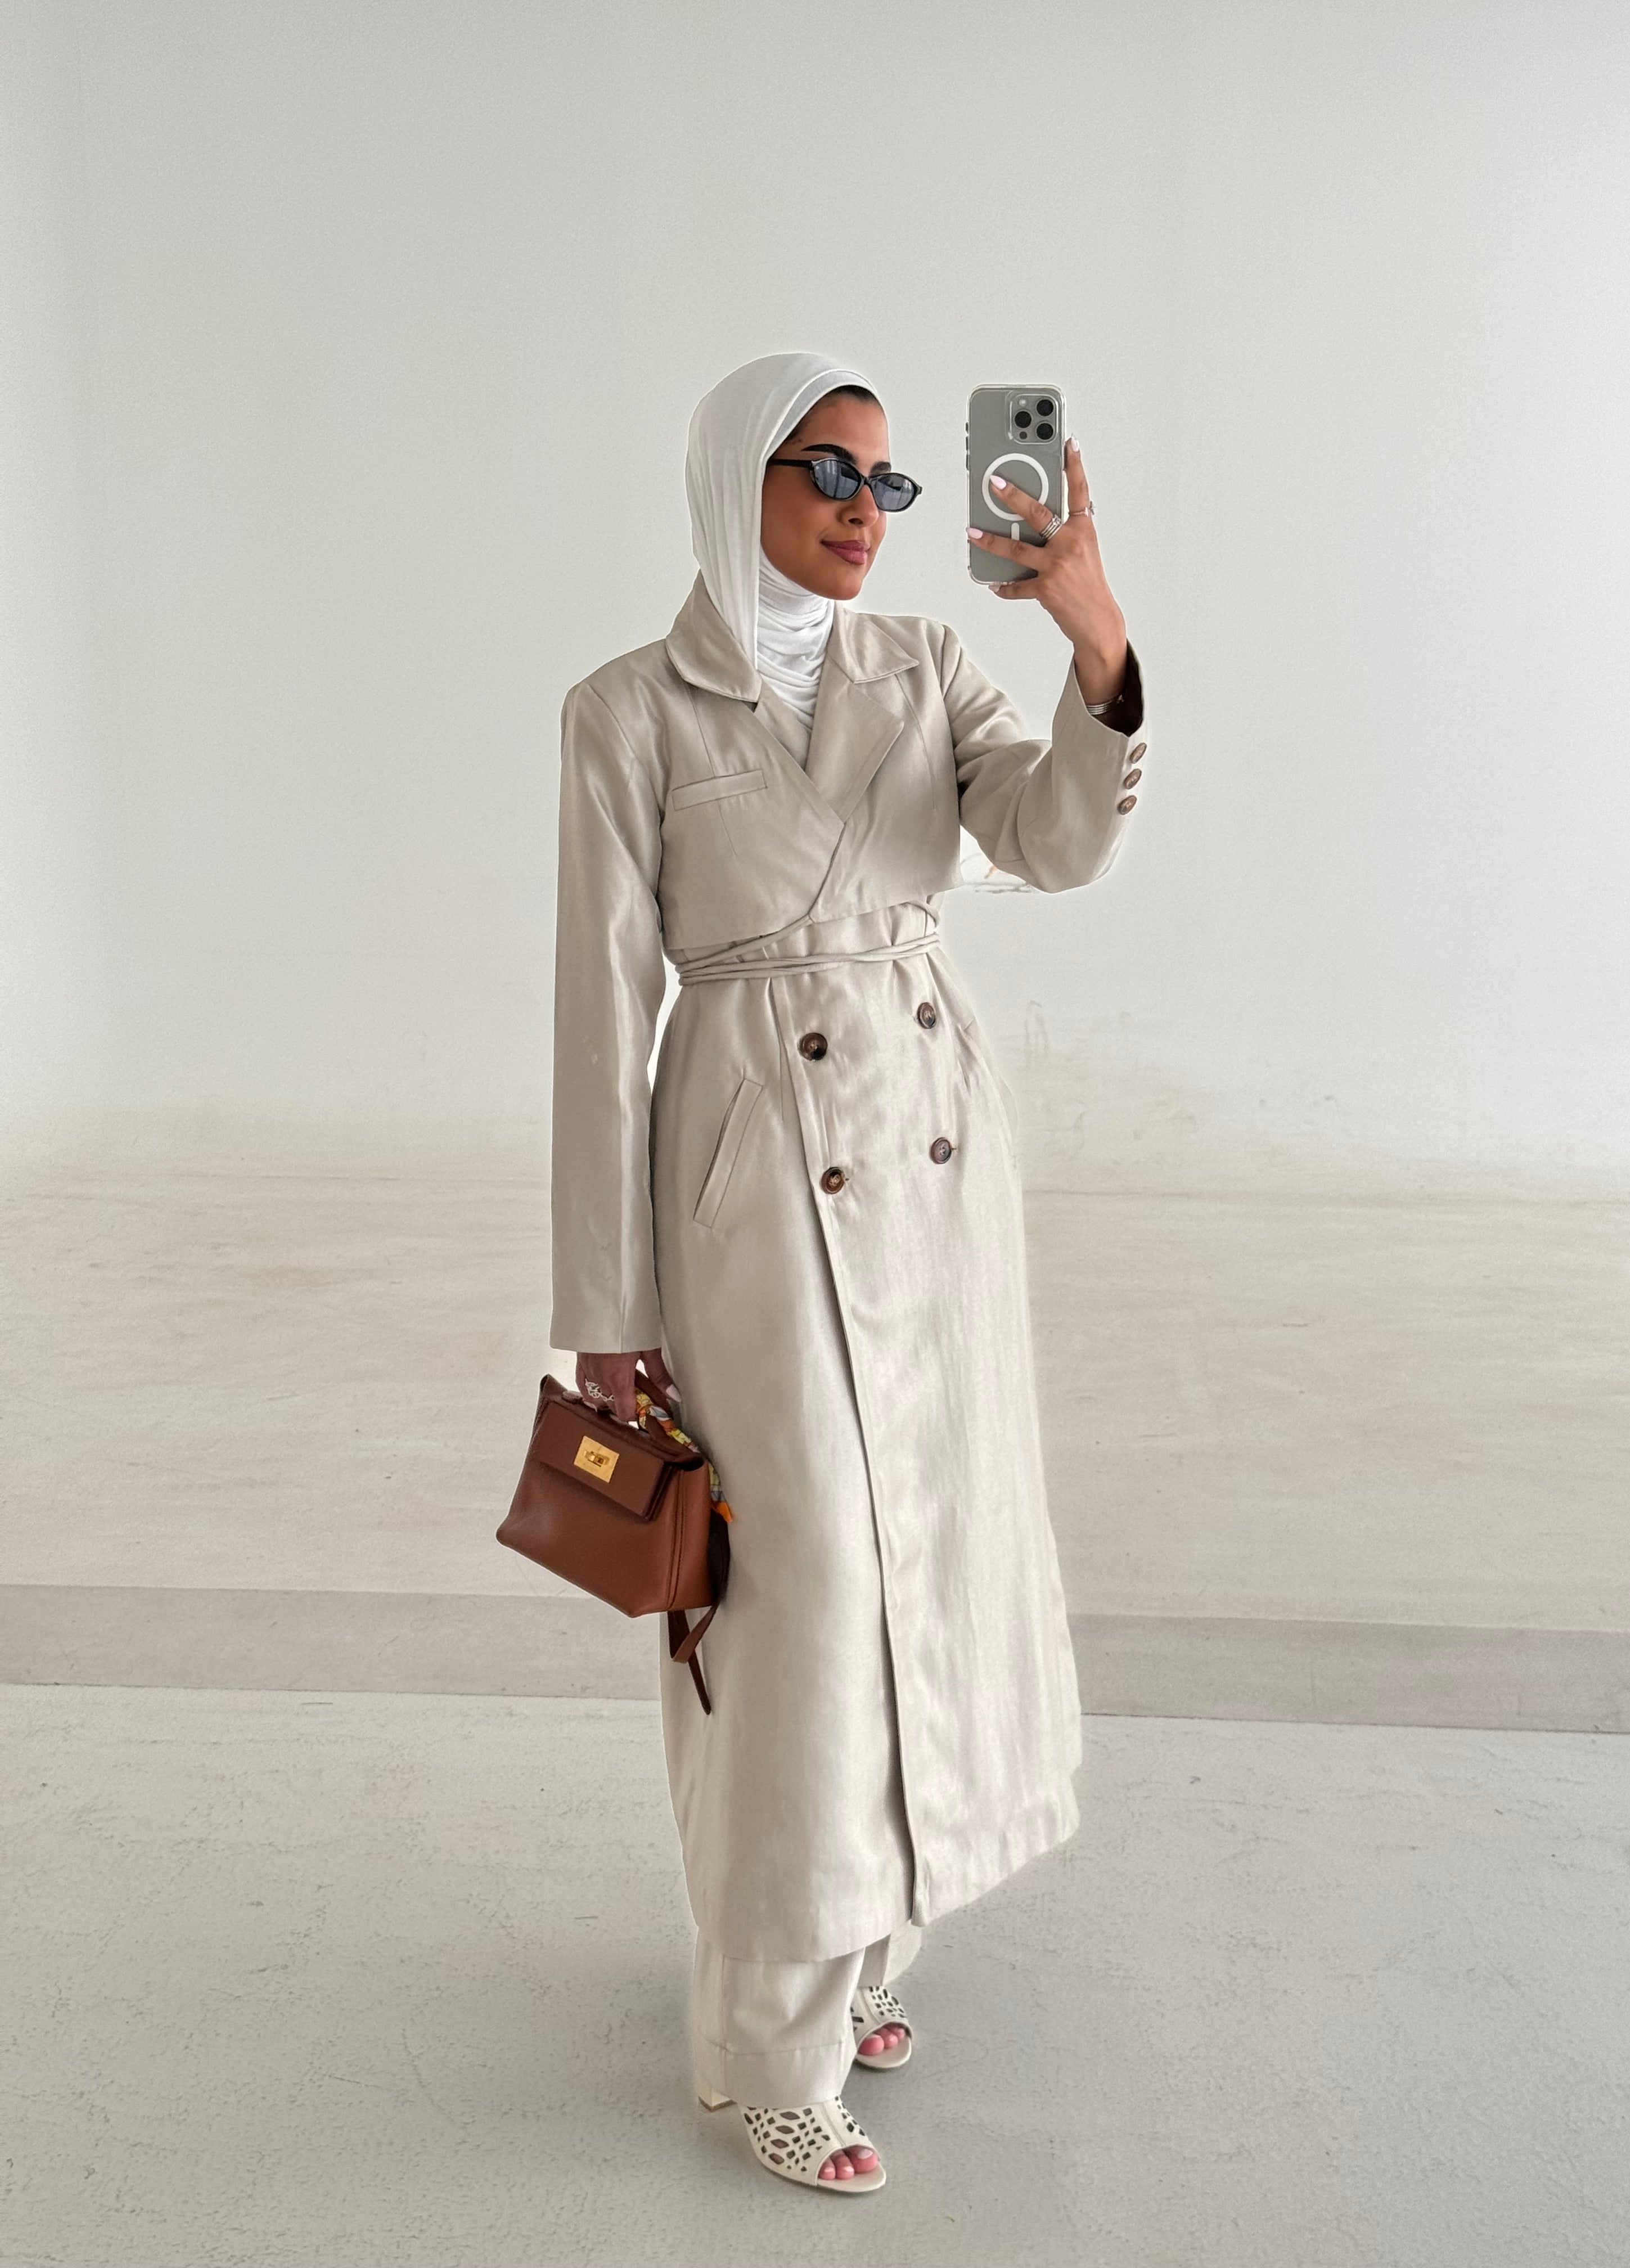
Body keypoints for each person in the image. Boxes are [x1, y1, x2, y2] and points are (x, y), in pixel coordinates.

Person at [550, 351, 1145, 2194]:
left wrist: (1094, 637)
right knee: (789, 1596)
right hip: (748, 1182)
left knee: (930, 1559)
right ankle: (764, 2045)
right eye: (826, 471)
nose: (863, 512)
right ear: (737, 475)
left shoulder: (927, 662)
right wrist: (605, 1319)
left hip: (934, 1157)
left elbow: (1050, 839)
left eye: (889, 484)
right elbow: (601, 1016)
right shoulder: (629, 709)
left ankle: (871, 1939)